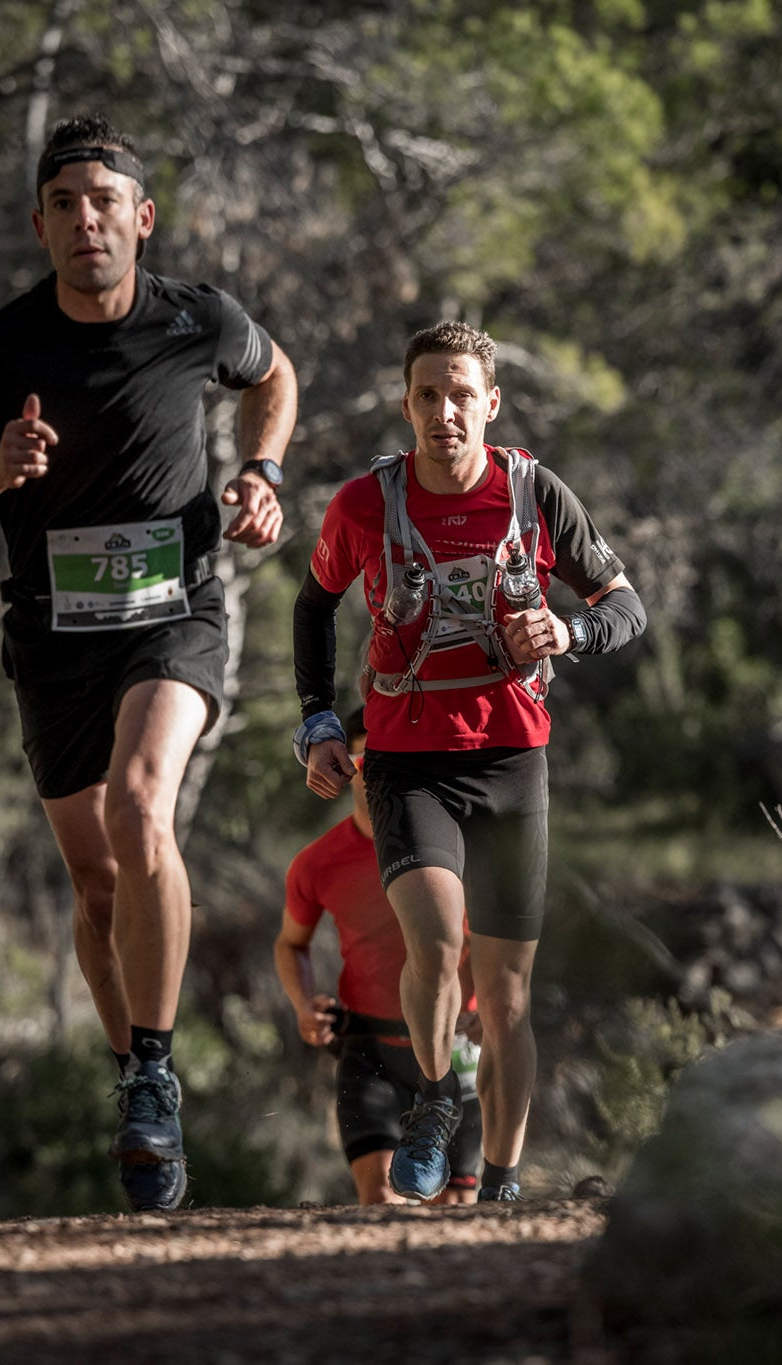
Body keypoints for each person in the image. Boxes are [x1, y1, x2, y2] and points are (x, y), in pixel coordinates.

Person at [0, 114, 298, 1212]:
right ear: (41, 226)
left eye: (104, 200)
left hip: (174, 616)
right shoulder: (0, 348)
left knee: (140, 809)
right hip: (51, 638)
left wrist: (262, 474)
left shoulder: (196, 319)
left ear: (141, 218)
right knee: (94, 884)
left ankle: (158, 1075)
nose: (87, 219)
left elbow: (275, 378)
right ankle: (132, 1076)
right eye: (65, 203)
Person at [290, 321, 645, 1202]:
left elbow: (626, 603)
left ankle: (502, 1181)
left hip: (514, 761)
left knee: (510, 993)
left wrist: (571, 629)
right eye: (425, 395)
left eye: (460, 394)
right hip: (406, 762)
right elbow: (313, 606)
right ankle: (438, 1093)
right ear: (406, 404)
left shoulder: (534, 493)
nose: (443, 412)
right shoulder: (365, 504)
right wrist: (317, 722)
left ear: (490, 402)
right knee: (438, 943)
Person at [275, 710, 483, 1205]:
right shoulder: (317, 862)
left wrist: (489, 1007)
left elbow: (495, 942)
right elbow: (291, 944)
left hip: (456, 1045)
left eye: (394, 755)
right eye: (368, 758)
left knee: (456, 1207)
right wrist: (304, 1003)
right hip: (368, 1048)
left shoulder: (458, 848)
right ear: (345, 764)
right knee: (381, 1198)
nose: (380, 768)